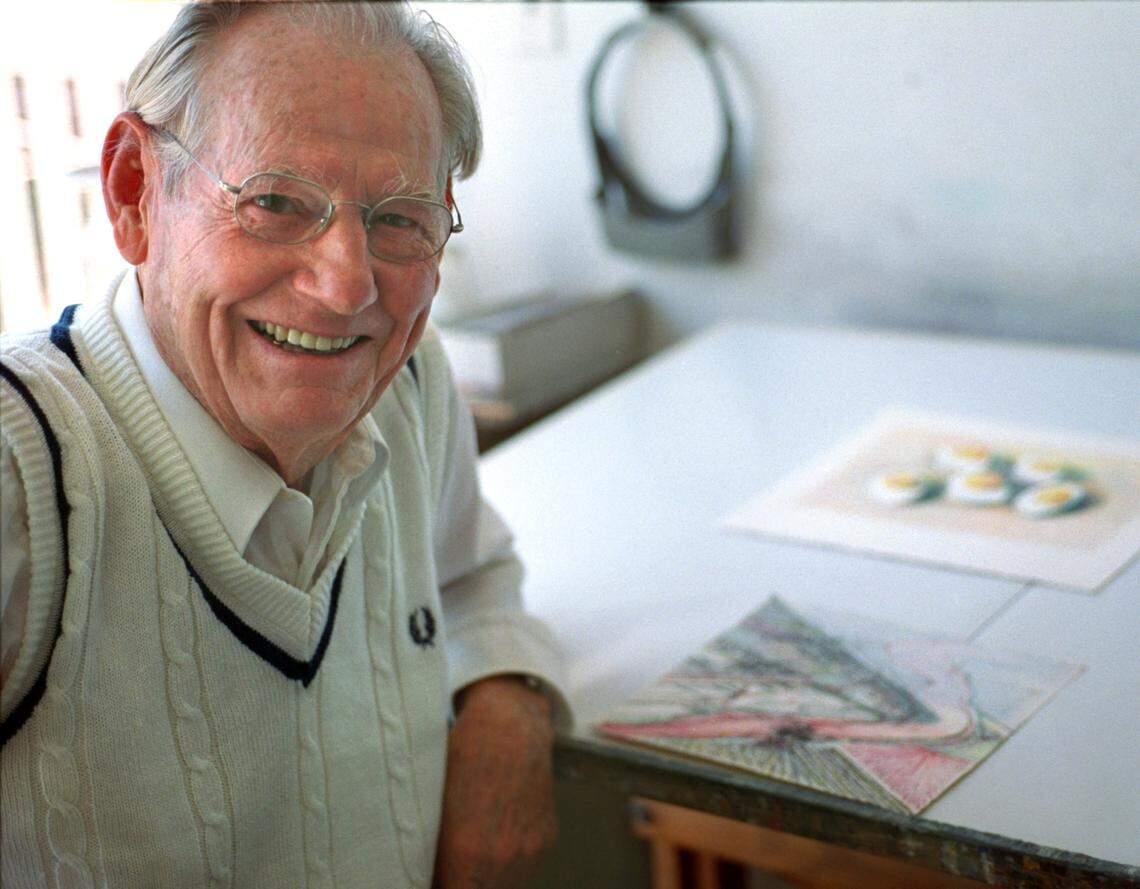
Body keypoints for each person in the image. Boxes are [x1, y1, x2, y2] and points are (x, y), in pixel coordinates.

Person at [0, 3, 569, 887]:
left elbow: (473, 579)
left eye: (399, 219)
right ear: (133, 193)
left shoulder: (409, 386)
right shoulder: (21, 475)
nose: (345, 287)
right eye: (272, 201)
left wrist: (507, 713)